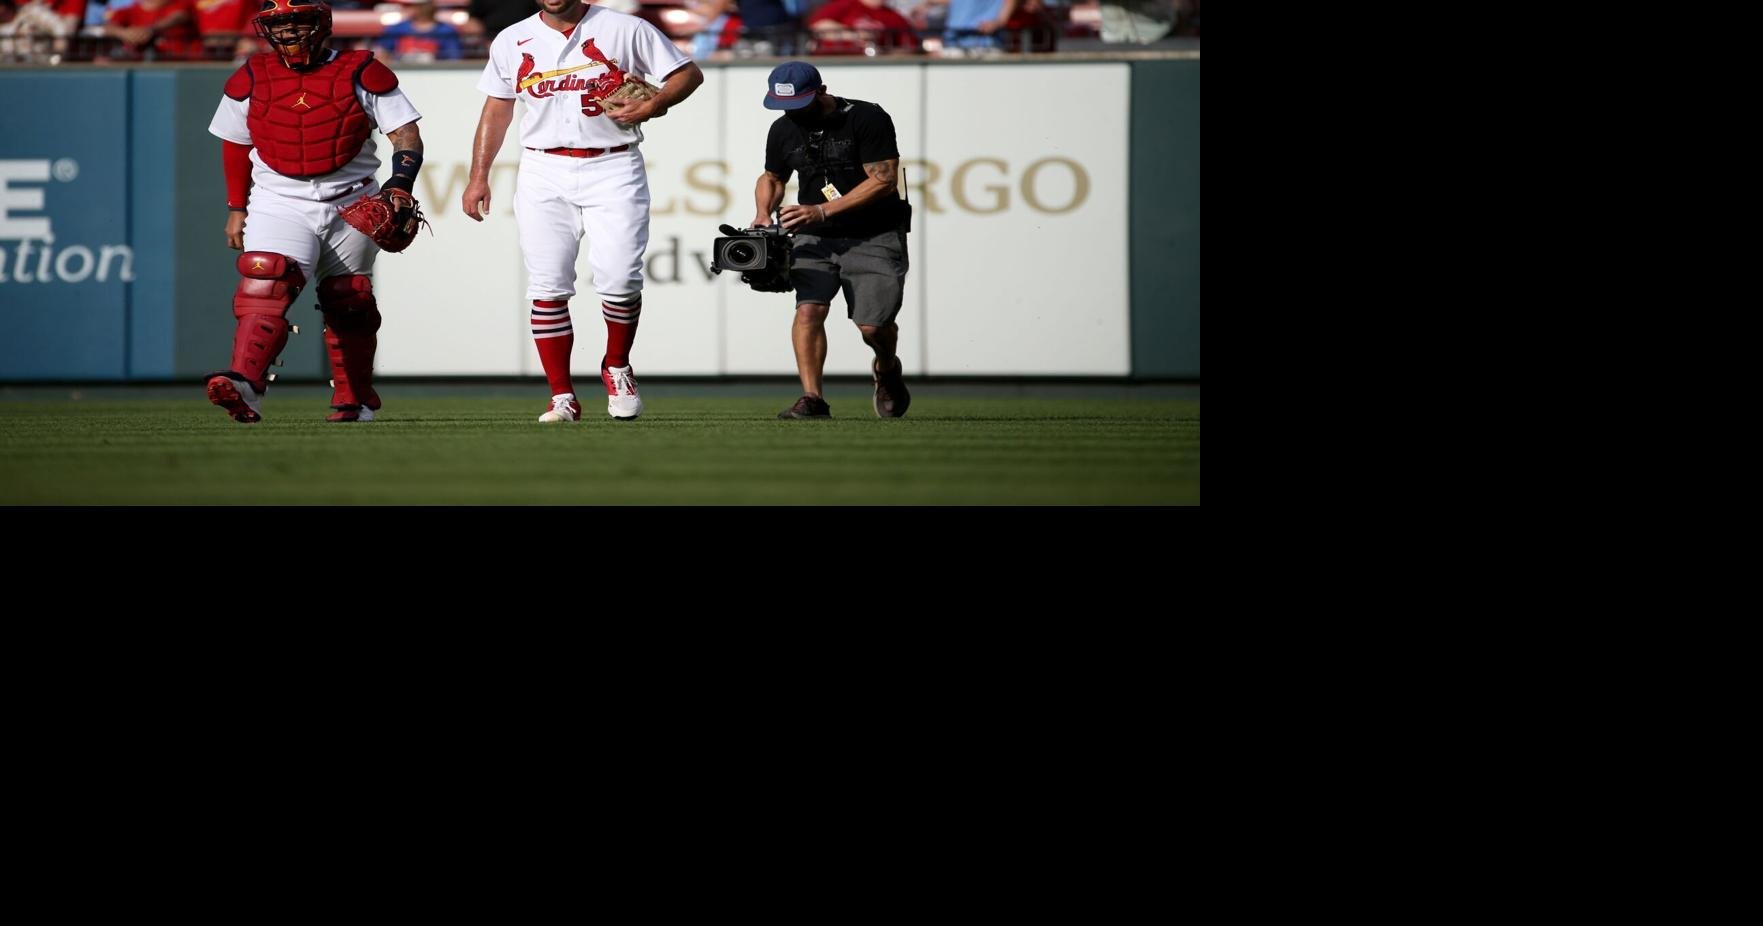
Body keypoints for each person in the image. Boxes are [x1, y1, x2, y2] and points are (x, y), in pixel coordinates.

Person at [461, 0, 703, 423]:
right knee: (548, 283)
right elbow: (497, 107)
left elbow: (687, 74)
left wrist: (655, 103)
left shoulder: (624, 28)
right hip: (542, 165)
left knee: (621, 276)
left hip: (613, 161)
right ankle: (562, 396)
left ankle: (617, 365)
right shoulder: (512, 38)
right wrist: (478, 175)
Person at [204, 0, 426, 423]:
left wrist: (400, 185)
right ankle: (246, 384)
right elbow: (235, 143)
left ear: (321, 23)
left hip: (353, 196)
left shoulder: (362, 70)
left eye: (296, 22)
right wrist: (236, 207)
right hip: (279, 198)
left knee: (350, 300)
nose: (287, 32)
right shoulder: (252, 74)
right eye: (278, 25)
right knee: (265, 277)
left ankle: (355, 399)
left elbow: (406, 134)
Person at [749, 61, 911, 419]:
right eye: (783, 106)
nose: (791, 113)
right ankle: (812, 399)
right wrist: (763, 214)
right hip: (813, 236)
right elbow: (773, 177)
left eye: (799, 105)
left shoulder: (866, 117)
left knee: (873, 325)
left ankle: (886, 368)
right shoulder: (783, 129)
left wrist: (821, 210)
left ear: (822, 92)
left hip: (873, 232)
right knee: (809, 310)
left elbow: (883, 179)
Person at [376, 0, 461, 62]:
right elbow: (382, 53)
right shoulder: (396, 28)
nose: (407, 9)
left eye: (412, 6)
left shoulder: (446, 30)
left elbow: (453, 59)